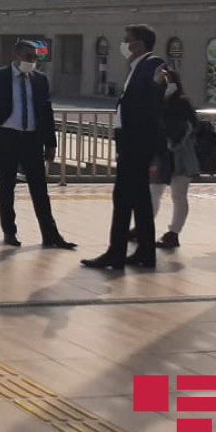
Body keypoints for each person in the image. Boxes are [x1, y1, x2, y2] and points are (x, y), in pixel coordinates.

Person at [0, 40, 77, 249]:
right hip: (6, 136)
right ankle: (10, 231)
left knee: (39, 187)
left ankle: (50, 234)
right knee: (7, 184)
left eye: (35, 57)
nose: (32, 61)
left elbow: (46, 111)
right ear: (16, 56)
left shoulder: (39, 79)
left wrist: (50, 142)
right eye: (28, 56)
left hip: (32, 138)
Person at [82, 24, 165, 270]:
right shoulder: (136, 66)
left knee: (123, 198)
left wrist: (157, 83)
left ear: (138, 44)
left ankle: (116, 253)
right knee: (138, 200)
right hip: (131, 143)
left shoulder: (151, 64)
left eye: (127, 40)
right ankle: (144, 253)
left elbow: (155, 94)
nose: (124, 44)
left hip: (137, 145)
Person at [148, 68, 198, 249]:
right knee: (154, 192)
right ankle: (144, 227)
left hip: (180, 157)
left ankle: (174, 233)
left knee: (178, 195)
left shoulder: (181, 103)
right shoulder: (156, 102)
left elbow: (188, 128)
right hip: (161, 155)